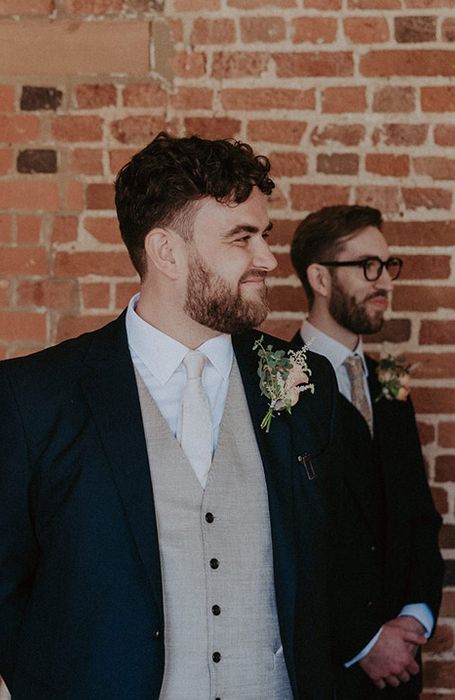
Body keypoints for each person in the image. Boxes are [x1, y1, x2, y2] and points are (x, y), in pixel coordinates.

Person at [0, 133, 340, 699]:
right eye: (242, 238)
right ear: (166, 252)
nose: (267, 258)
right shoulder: (33, 396)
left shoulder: (304, 383)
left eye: (265, 235)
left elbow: (334, 566)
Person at [289, 205, 444, 698]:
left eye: (388, 265)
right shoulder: (277, 385)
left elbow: (417, 512)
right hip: (324, 669)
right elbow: (287, 537)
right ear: (319, 277)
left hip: (401, 668)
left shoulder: (390, 384)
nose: (386, 282)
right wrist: (363, 641)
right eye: (367, 267)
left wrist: (415, 619)